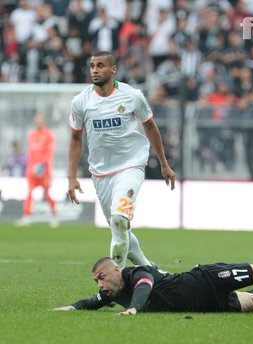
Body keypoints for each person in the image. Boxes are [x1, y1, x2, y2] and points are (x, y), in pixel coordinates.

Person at [68, 51, 176, 269]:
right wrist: (71, 177)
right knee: (119, 228)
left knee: (119, 220)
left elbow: (150, 127)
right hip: (100, 173)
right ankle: (149, 268)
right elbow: (75, 138)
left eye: (100, 66)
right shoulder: (80, 101)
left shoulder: (132, 95)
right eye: (92, 66)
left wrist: (164, 163)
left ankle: (115, 283)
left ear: (113, 69)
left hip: (131, 165)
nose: (95, 70)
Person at [52, 247, 253, 314]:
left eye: (101, 277)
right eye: (96, 281)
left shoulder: (136, 274)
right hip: (205, 303)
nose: (100, 285)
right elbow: (91, 302)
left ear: (115, 270)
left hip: (207, 279)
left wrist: (134, 309)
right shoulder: (111, 294)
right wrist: (72, 308)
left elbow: (145, 288)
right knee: (251, 303)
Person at [16, 114, 57, 227]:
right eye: (36, 121)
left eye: (40, 121)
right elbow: (31, 153)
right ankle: (26, 216)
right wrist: (30, 167)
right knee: (29, 192)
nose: (38, 123)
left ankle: (54, 216)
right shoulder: (31, 135)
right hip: (32, 170)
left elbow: (50, 153)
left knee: (47, 193)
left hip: (44, 170)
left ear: (43, 122)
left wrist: (42, 165)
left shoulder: (49, 135)